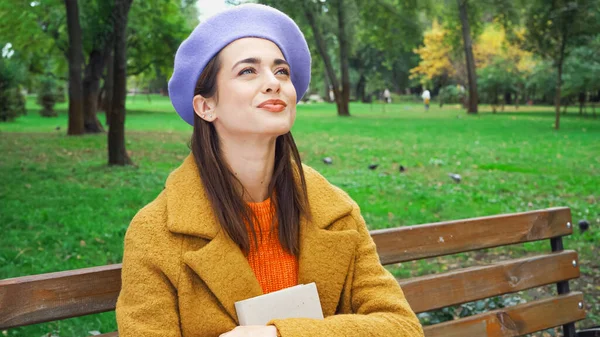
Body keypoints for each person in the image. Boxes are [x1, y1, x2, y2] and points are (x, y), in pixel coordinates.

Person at [115, 4, 423, 337]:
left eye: (282, 72)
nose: (273, 83)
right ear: (206, 106)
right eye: (248, 71)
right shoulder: (156, 233)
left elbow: (402, 327)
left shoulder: (335, 212)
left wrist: (278, 334)